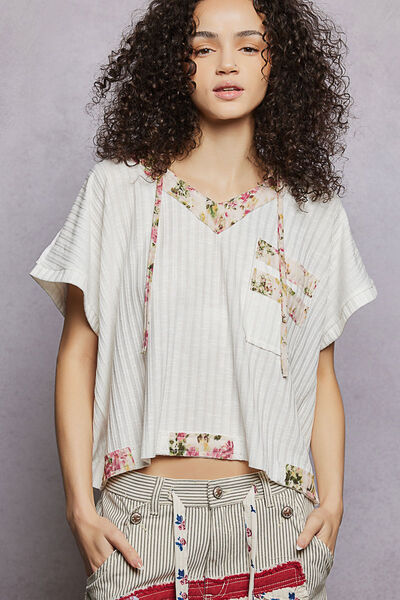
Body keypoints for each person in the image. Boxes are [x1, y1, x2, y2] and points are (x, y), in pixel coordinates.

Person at [29, 0, 378, 599]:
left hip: (276, 522)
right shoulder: (118, 190)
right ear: (175, 62)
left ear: (278, 63)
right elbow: (78, 353)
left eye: (249, 45)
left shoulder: (313, 213)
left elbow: (321, 372)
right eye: (203, 46)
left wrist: (334, 502)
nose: (227, 63)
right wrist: (78, 505)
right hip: (140, 521)